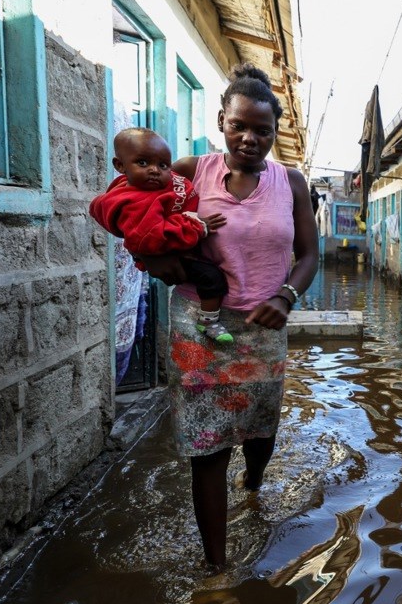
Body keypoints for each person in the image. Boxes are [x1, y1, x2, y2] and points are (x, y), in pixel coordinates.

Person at [139, 63, 319, 572]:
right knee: (208, 447)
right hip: (199, 326)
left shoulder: (291, 182)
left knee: (261, 432)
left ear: (274, 133)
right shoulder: (190, 172)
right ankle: (216, 568)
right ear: (222, 120)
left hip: (263, 328)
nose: (249, 138)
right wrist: (149, 256)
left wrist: (287, 296)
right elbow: (131, 209)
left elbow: (310, 254)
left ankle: (255, 481)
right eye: (239, 125)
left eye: (262, 130)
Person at [90, 128, 234, 343]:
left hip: (181, 247)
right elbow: (153, 237)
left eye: (163, 165)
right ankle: (208, 321)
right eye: (143, 163)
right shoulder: (134, 202)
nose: (155, 170)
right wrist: (197, 226)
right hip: (171, 254)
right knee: (211, 277)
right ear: (120, 166)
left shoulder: (154, 186)